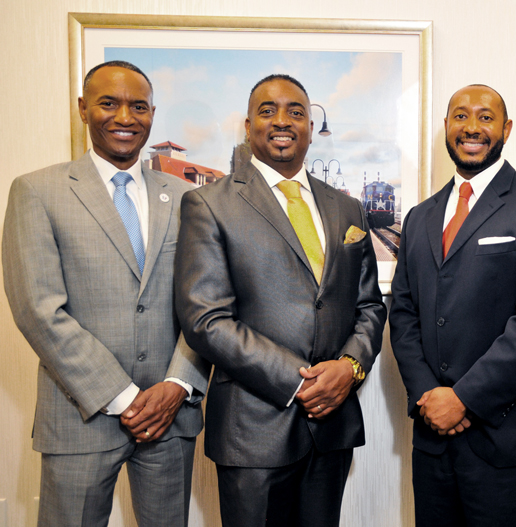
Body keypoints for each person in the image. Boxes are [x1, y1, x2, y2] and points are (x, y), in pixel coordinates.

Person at [2, 60, 209, 526]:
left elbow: (204, 305)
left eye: (138, 106)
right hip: (81, 414)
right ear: (83, 109)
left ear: (152, 114)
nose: (124, 117)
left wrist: (176, 386)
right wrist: (123, 396)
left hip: (169, 415)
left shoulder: (185, 198)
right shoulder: (37, 191)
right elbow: (38, 310)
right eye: (108, 103)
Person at [174, 73, 386, 527]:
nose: (282, 120)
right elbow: (205, 318)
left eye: (296, 111)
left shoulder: (347, 209)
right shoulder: (207, 204)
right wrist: (303, 382)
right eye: (267, 111)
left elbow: (369, 307)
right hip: (253, 430)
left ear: (310, 127)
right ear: (248, 126)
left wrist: (348, 369)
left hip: (332, 427)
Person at [388, 84, 516, 527]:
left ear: (506, 129)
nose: (472, 127)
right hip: (432, 437)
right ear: (446, 127)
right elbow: (403, 314)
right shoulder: (420, 216)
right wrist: (427, 397)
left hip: (504, 440)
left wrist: (465, 399)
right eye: (460, 116)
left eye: (485, 117)